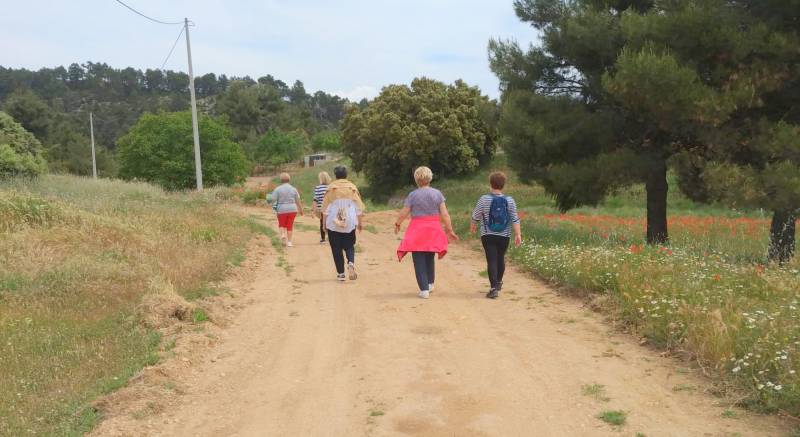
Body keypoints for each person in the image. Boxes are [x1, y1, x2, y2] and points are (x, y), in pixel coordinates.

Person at [395, 166, 458, 299]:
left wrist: (398, 223)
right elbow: (445, 214)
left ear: (416, 179)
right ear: (430, 178)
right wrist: (449, 229)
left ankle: (424, 290)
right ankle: (429, 284)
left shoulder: (413, 195)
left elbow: (404, 212)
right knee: (429, 257)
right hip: (433, 229)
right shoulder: (437, 194)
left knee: (418, 259)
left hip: (417, 229)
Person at [470, 171, 522, 299]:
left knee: (491, 259)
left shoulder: (484, 199)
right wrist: (518, 234)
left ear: (490, 184)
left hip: (488, 235)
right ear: (503, 185)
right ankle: (498, 282)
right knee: (500, 258)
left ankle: (493, 288)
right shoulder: (510, 200)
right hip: (504, 235)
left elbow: (475, 216)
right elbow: (515, 218)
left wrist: (473, 226)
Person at [321, 166, 365, 281]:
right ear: (346, 175)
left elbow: (325, 210)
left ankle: (341, 274)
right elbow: (359, 208)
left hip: (333, 222)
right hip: (349, 221)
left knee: (336, 248)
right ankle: (350, 262)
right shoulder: (352, 188)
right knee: (349, 245)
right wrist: (360, 223)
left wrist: (323, 224)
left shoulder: (331, 189)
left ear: (335, 175)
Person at [269, 173, 304, 247]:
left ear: (281, 180)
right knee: (290, 225)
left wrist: (270, 203)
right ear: (289, 179)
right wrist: (301, 209)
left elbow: (272, 199)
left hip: (281, 209)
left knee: (281, 224)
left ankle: (282, 235)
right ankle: (289, 242)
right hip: (292, 209)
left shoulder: (278, 189)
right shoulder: (293, 189)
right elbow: (298, 200)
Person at [313, 171, 332, 244]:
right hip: (330, 208)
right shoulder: (330, 187)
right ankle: (330, 237)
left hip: (322, 208)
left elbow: (315, 199)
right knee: (330, 223)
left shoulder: (318, 188)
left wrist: (314, 209)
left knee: (322, 223)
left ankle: (323, 239)